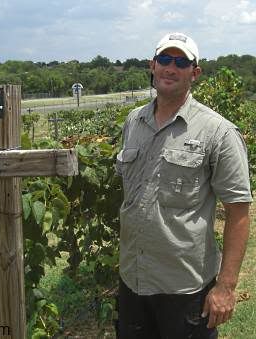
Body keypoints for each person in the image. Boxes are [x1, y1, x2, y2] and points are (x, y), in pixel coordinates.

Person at [115, 32, 253, 339]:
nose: (170, 67)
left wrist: (226, 287)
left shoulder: (218, 132)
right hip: (132, 281)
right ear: (152, 65)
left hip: (185, 289)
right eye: (164, 59)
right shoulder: (133, 122)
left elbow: (239, 212)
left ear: (195, 72)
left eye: (181, 61)